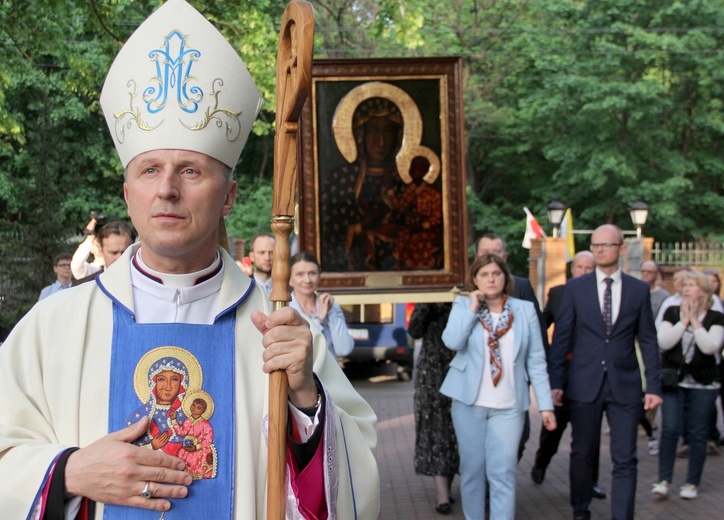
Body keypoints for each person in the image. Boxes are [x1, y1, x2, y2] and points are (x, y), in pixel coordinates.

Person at [0, 2, 380, 519]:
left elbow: (355, 481)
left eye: (192, 171)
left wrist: (306, 401)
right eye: (150, 169)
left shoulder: (280, 333)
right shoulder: (54, 327)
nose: (167, 191)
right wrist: (69, 471)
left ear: (228, 197)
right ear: (128, 193)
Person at [549, 224, 662, 520]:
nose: (599, 249)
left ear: (621, 249)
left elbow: (648, 339)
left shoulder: (638, 290)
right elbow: (561, 337)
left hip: (624, 384)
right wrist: (555, 382)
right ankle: (580, 510)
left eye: (606, 245)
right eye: (595, 244)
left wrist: (653, 386)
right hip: (583, 382)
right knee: (583, 453)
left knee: (625, 458)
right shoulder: (575, 288)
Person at [440, 253, 556, 520]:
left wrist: (546, 406)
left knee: (503, 473)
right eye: (484, 274)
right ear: (475, 279)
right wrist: (471, 307)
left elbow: (536, 361)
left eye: (496, 274)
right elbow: (452, 341)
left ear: (505, 277)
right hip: (469, 404)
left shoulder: (524, 309)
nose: (491, 279)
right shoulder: (462, 305)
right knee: (472, 471)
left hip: (509, 406)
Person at [531, 251, 607, 499]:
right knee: (553, 430)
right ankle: (541, 464)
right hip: (563, 373)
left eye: (589, 268)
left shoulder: (604, 295)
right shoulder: (558, 293)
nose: (584, 272)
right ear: (572, 269)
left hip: (592, 374)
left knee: (590, 435)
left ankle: (591, 481)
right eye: (580, 267)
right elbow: (542, 326)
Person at [474, 232, 548, 462]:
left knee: (518, 437)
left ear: (504, 256)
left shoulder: (522, 287)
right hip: (477, 388)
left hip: (514, 385)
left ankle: (503, 472)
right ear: (476, 257)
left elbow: (540, 339)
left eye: (495, 253)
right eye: (486, 253)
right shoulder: (466, 293)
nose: (491, 258)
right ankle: (487, 487)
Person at [652, 271, 724, 500]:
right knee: (671, 428)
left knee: (698, 433)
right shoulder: (672, 311)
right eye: (684, 285)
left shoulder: (716, 317)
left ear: (703, 290)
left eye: (691, 285)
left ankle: (691, 482)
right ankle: (663, 479)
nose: (686, 289)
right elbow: (664, 341)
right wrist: (684, 320)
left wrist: (695, 321)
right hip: (674, 382)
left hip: (704, 384)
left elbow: (710, 346)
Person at [321, 96, 406, 272]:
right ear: (360, 134)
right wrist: (360, 228)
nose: (381, 141)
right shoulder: (341, 179)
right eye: (374, 131)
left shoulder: (404, 181)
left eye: (388, 131)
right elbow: (330, 235)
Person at [407, 302, 458, 515]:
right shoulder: (428, 300)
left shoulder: (464, 300)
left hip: (460, 369)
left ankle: (447, 484)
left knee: (455, 433)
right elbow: (414, 330)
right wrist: (428, 304)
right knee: (434, 430)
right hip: (431, 373)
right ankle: (442, 494)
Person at [288, 252, 354, 358]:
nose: (307, 280)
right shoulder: (286, 309)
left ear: (319, 276)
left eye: (312, 273)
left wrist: (331, 312)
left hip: (329, 373)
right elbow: (297, 348)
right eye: (300, 274)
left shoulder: (332, 307)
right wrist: (319, 320)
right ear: (290, 279)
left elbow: (344, 349)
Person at [388, 156, 443, 270]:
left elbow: (437, 217)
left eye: (418, 169)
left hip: (425, 233)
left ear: (425, 172)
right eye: (412, 169)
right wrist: (392, 195)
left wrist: (422, 226)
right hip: (408, 230)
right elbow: (400, 206)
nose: (414, 173)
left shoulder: (433, 193)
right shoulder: (410, 189)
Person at [74, 220, 135, 285]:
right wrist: (90, 236)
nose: (119, 258)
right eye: (114, 253)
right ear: (101, 250)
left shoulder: (144, 283)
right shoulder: (85, 287)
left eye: (124, 253)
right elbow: (76, 265)